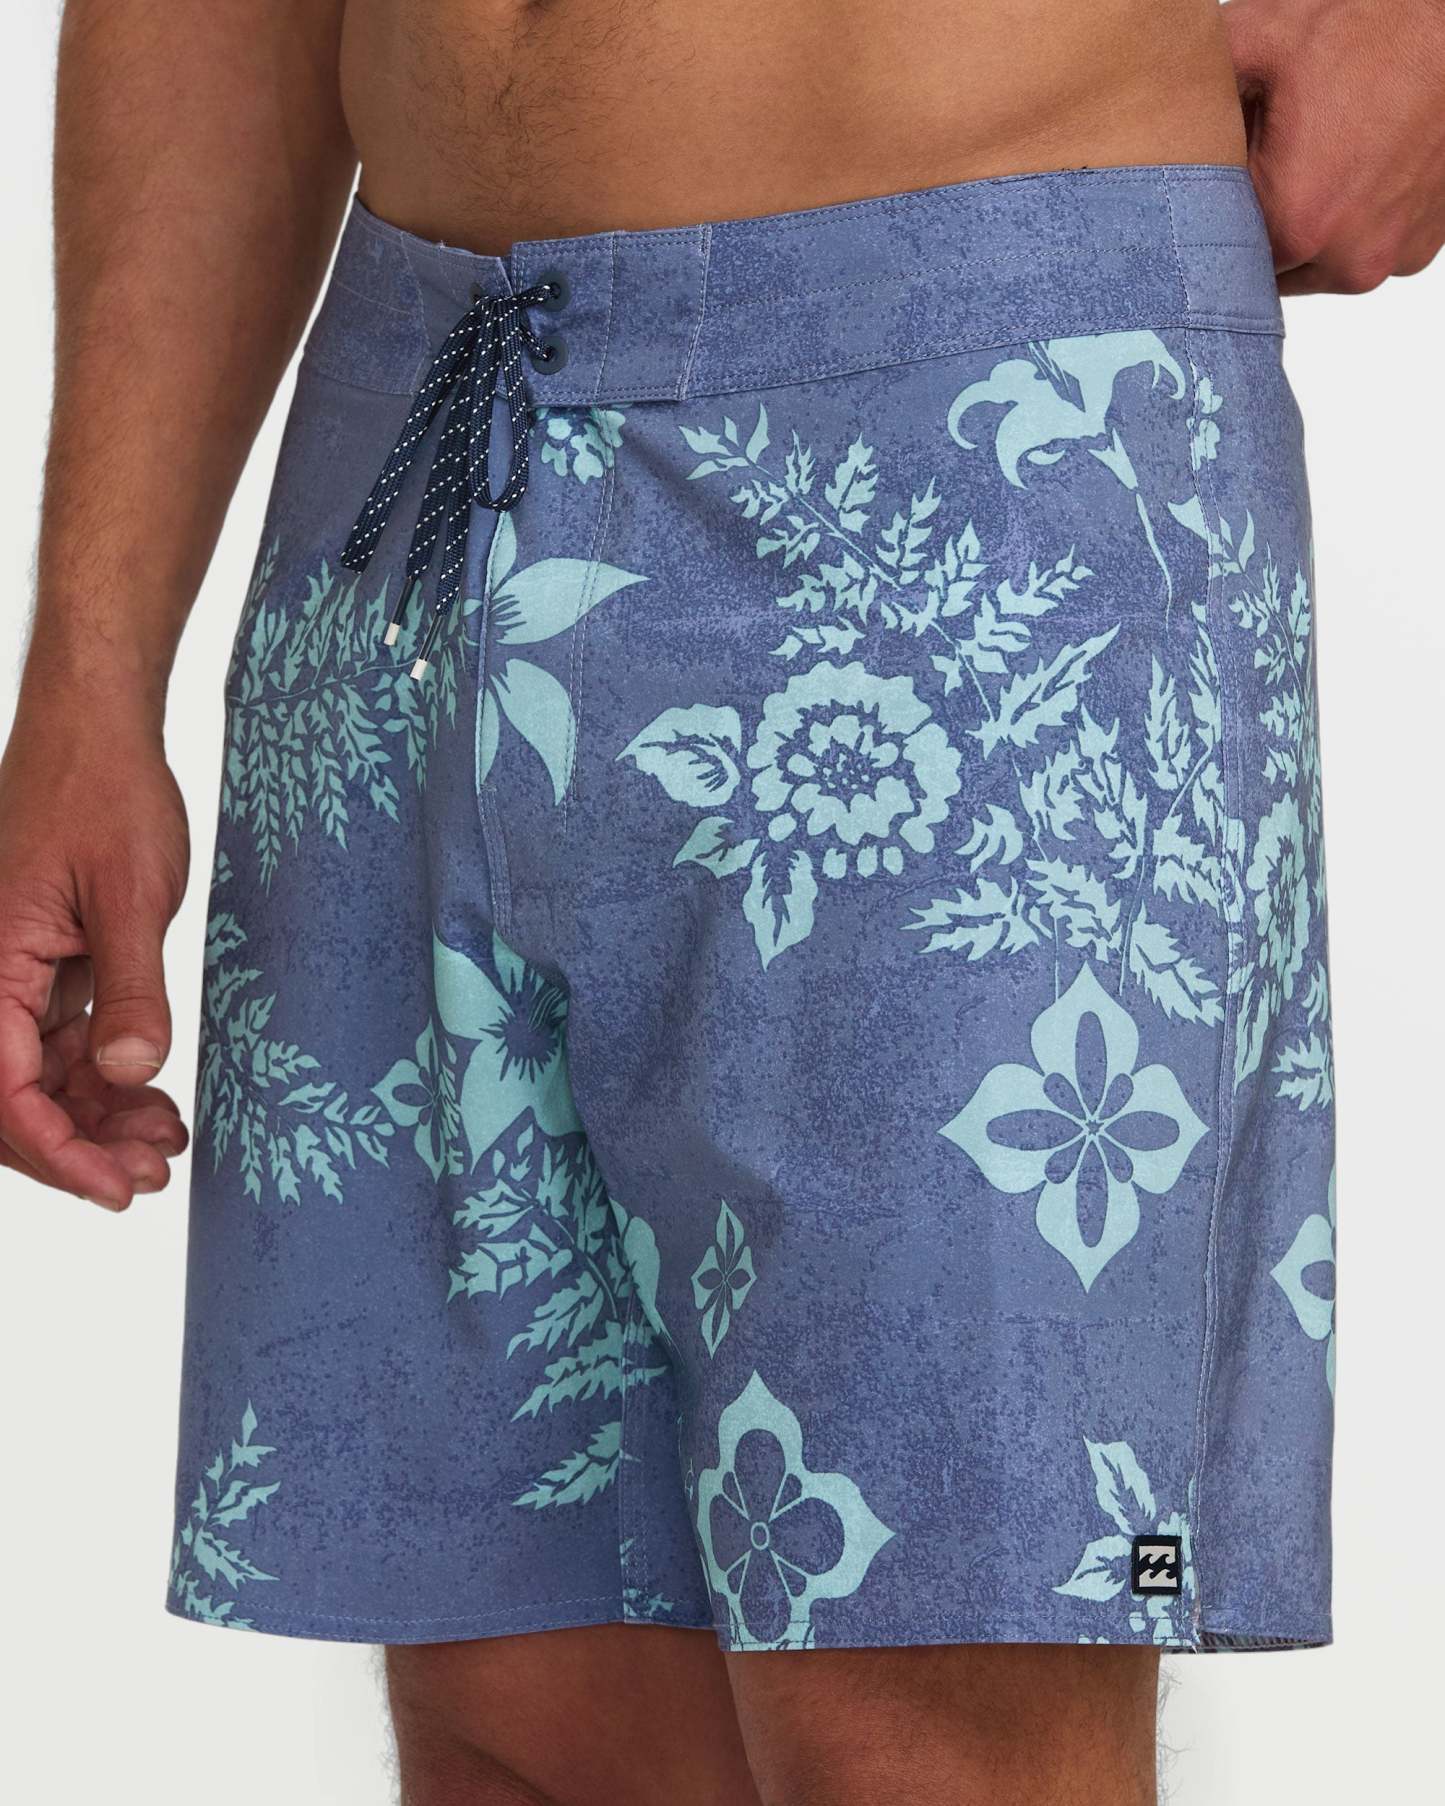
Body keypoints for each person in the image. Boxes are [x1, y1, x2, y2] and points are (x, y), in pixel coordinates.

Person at [2, 0, 1441, 1800]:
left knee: (933, 1744)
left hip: (970, 436)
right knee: (526, 1731)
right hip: (425, 455)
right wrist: (87, 670)